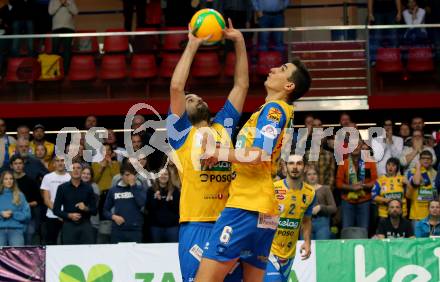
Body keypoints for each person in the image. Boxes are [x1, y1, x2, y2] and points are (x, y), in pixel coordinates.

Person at [196, 53, 311, 282]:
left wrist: (218, 154)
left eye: (282, 69)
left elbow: (259, 154)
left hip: (246, 206)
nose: (274, 69)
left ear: (289, 85)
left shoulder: (274, 110)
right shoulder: (276, 112)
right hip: (266, 212)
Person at [166, 20, 248, 282]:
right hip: (196, 225)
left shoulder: (223, 126)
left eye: (198, 97)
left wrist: (239, 42)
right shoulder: (180, 134)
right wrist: (192, 45)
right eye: (190, 99)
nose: (197, 98)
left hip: (231, 222)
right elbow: (177, 87)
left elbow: (241, 86)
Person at [263, 155, 315, 281]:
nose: (295, 167)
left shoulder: (310, 193)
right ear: (285, 167)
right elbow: (262, 220)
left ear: (305, 167)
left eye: (299, 163)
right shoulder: (274, 188)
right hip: (269, 251)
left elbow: (306, 220)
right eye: (291, 163)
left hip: (289, 253)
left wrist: (307, 242)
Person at [336, 141, 378, 231]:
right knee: (347, 229)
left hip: (365, 201)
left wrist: (363, 186)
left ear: (361, 147)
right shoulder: (343, 163)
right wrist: (351, 187)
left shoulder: (370, 162)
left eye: (357, 145)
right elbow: (338, 183)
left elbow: (375, 181)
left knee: (363, 230)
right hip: (347, 201)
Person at [53, 161, 97, 244]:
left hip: (85, 224)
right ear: (69, 171)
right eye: (73, 168)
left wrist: (85, 208)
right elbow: (56, 210)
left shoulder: (88, 188)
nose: (76, 170)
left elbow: (94, 211)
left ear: (81, 171)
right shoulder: (62, 188)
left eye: (78, 168)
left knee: (88, 253)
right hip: (69, 225)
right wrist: (69, 215)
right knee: (69, 253)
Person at [103, 163, 146, 243]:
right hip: (118, 230)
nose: (130, 177)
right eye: (127, 175)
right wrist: (113, 217)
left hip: (135, 230)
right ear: (121, 175)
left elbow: (143, 204)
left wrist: (133, 187)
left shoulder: (140, 188)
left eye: (132, 175)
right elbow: (105, 211)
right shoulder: (113, 190)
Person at [10, 155, 42, 245]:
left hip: (28, 218)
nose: (18, 166)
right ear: (11, 166)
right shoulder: (7, 181)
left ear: (23, 165)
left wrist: (25, 205)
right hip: (11, 218)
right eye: (15, 163)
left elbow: (38, 200)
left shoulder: (30, 181)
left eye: (20, 163)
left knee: (28, 245)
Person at [40, 155, 71, 245]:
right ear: (53, 164)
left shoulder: (70, 177)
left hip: (67, 216)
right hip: (52, 215)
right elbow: (46, 200)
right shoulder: (47, 177)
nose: (60, 163)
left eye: (62, 160)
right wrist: (59, 213)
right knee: (51, 243)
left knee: (67, 243)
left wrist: (64, 214)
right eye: (57, 161)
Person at [146, 166, 180, 243]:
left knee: (172, 250)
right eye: (161, 174)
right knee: (156, 251)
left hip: (172, 227)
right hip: (156, 227)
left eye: (166, 174)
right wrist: (155, 200)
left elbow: (178, 210)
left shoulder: (175, 191)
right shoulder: (151, 190)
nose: (163, 176)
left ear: (169, 176)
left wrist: (170, 201)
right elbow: (148, 209)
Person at [305, 164, 336, 240]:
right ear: (306, 176)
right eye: (309, 174)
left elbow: (333, 208)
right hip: (306, 222)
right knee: (306, 249)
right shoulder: (302, 190)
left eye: (314, 174)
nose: (312, 176)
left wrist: (321, 207)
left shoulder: (325, 189)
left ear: (318, 175)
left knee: (322, 248)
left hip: (322, 222)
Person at [0, 170, 31, 246]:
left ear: (14, 181)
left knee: (17, 256)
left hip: (16, 231)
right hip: (0, 230)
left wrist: (13, 214)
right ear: (2, 181)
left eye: (11, 179)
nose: (9, 181)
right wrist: (1, 214)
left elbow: (27, 215)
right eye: (6, 179)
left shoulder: (20, 195)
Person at [406, 151, 437, 222]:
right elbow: (416, 182)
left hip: (431, 214)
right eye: (423, 158)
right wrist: (418, 168)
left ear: (431, 161)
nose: (426, 160)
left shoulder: (433, 173)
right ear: (419, 160)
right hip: (417, 215)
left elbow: (434, 192)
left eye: (428, 158)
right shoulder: (413, 171)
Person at [48, 0, 78, 73]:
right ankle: (54, 70)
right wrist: (60, 4)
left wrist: (66, 4)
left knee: (67, 50)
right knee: (55, 49)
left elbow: (75, 12)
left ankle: (65, 71)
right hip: (56, 29)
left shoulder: (71, 0)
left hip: (69, 28)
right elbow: (50, 12)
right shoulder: (53, 0)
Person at [80, 166, 100, 243]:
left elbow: (94, 206)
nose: (86, 175)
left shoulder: (94, 187)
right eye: (84, 173)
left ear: (91, 176)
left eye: (88, 174)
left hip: (92, 222)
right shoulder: (76, 186)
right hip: (79, 223)